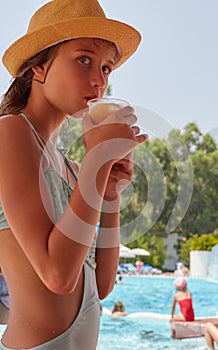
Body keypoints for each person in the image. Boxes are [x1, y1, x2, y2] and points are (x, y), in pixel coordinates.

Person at [0, 0, 147, 349]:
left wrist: (110, 195)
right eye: (84, 60)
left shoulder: (68, 167)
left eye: (108, 68)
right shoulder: (10, 133)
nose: (100, 81)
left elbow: (102, 284)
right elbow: (57, 276)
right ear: (38, 67)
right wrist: (97, 163)